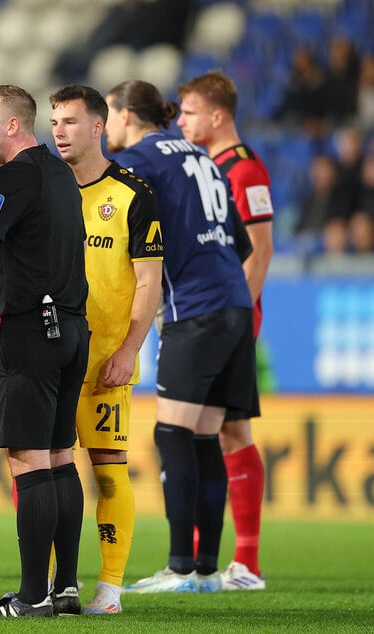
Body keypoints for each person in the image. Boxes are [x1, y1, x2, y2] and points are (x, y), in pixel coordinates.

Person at [103, 80, 257, 595]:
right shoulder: (201, 155)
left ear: (126, 115)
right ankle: (206, 570)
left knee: (171, 435)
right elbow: (237, 238)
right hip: (235, 302)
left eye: (108, 114)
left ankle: (179, 566)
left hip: (195, 307)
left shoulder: (143, 160)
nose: (106, 126)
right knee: (203, 437)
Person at [0, 84, 89, 617]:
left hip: (32, 331)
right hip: (72, 328)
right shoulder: (62, 173)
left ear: (13, 125)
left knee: (28, 461)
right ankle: (66, 588)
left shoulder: (11, 177)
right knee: (59, 458)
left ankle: (32, 597)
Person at [49, 85, 164, 613]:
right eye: (54, 121)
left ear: (99, 127)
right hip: (48, 357)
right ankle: (53, 585)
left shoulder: (134, 194)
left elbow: (149, 284)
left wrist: (128, 350)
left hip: (104, 363)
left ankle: (110, 588)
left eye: (70, 121)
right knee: (46, 471)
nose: (58, 131)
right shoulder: (45, 186)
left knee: (107, 469)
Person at [177, 70, 274, 590]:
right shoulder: (210, 167)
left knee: (219, 432)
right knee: (212, 433)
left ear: (217, 116)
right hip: (215, 317)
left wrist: (236, 317)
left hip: (228, 319)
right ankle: (209, 564)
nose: (182, 120)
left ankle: (241, 564)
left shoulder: (244, 170)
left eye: (189, 112)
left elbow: (261, 251)